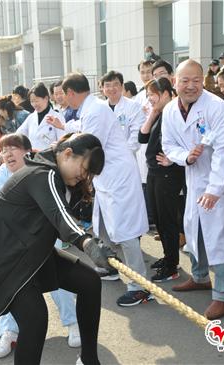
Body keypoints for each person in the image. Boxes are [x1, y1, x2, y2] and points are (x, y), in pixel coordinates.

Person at [0, 133, 114, 365]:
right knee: (35, 319)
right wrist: (88, 243)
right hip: (2, 260)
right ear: (68, 154)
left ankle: (89, 360)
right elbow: (60, 217)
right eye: (84, 168)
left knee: (89, 282)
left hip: (29, 252)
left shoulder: (59, 177)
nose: (85, 176)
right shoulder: (43, 173)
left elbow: (60, 222)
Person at [162, 60, 224, 319]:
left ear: (204, 80)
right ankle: (200, 277)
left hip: (218, 183)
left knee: (219, 238)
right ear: (174, 82)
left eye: (196, 80)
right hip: (193, 177)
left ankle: (223, 295)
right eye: (185, 81)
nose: (191, 86)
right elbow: (167, 145)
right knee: (195, 232)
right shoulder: (169, 110)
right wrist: (185, 156)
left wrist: (214, 189)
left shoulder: (216, 107)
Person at [58, 73, 151, 306]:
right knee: (103, 228)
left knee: (126, 232)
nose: (62, 99)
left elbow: (86, 145)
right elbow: (78, 132)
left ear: (71, 93)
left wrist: (58, 152)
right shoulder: (90, 109)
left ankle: (139, 286)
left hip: (118, 177)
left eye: (62, 94)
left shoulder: (96, 110)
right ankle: (110, 267)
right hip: (106, 178)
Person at [0, 133, 81, 358]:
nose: (8, 154)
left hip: (44, 237)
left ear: (27, 151)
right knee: (10, 287)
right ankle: (9, 332)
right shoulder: (1, 174)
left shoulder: (43, 171)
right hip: (12, 244)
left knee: (60, 281)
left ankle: (72, 323)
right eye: (4, 150)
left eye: (13, 148)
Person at [139, 78, 185, 282]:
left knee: (168, 220)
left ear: (167, 93)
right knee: (158, 219)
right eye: (148, 95)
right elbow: (142, 137)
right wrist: (152, 112)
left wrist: (172, 160)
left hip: (168, 174)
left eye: (153, 95)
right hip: (155, 172)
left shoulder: (176, 111)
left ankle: (172, 265)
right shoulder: (161, 112)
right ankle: (168, 257)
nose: (150, 99)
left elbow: (188, 141)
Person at [100, 70, 141, 154]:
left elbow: (136, 134)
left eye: (115, 84)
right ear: (103, 88)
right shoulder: (100, 108)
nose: (111, 88)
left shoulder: (133, 106)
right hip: (104, 157)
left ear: (122, 86)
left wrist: (124, 153)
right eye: (107, 85)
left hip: (125, 157)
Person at [16, 83, 66, 151]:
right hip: (34, 158)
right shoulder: (31, 118)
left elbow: (63, 141)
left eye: (36, 101)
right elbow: (18, 134)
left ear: (46, 98)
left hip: (49, 159)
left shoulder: (57, 117)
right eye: (32, 101)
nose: (34, 104)